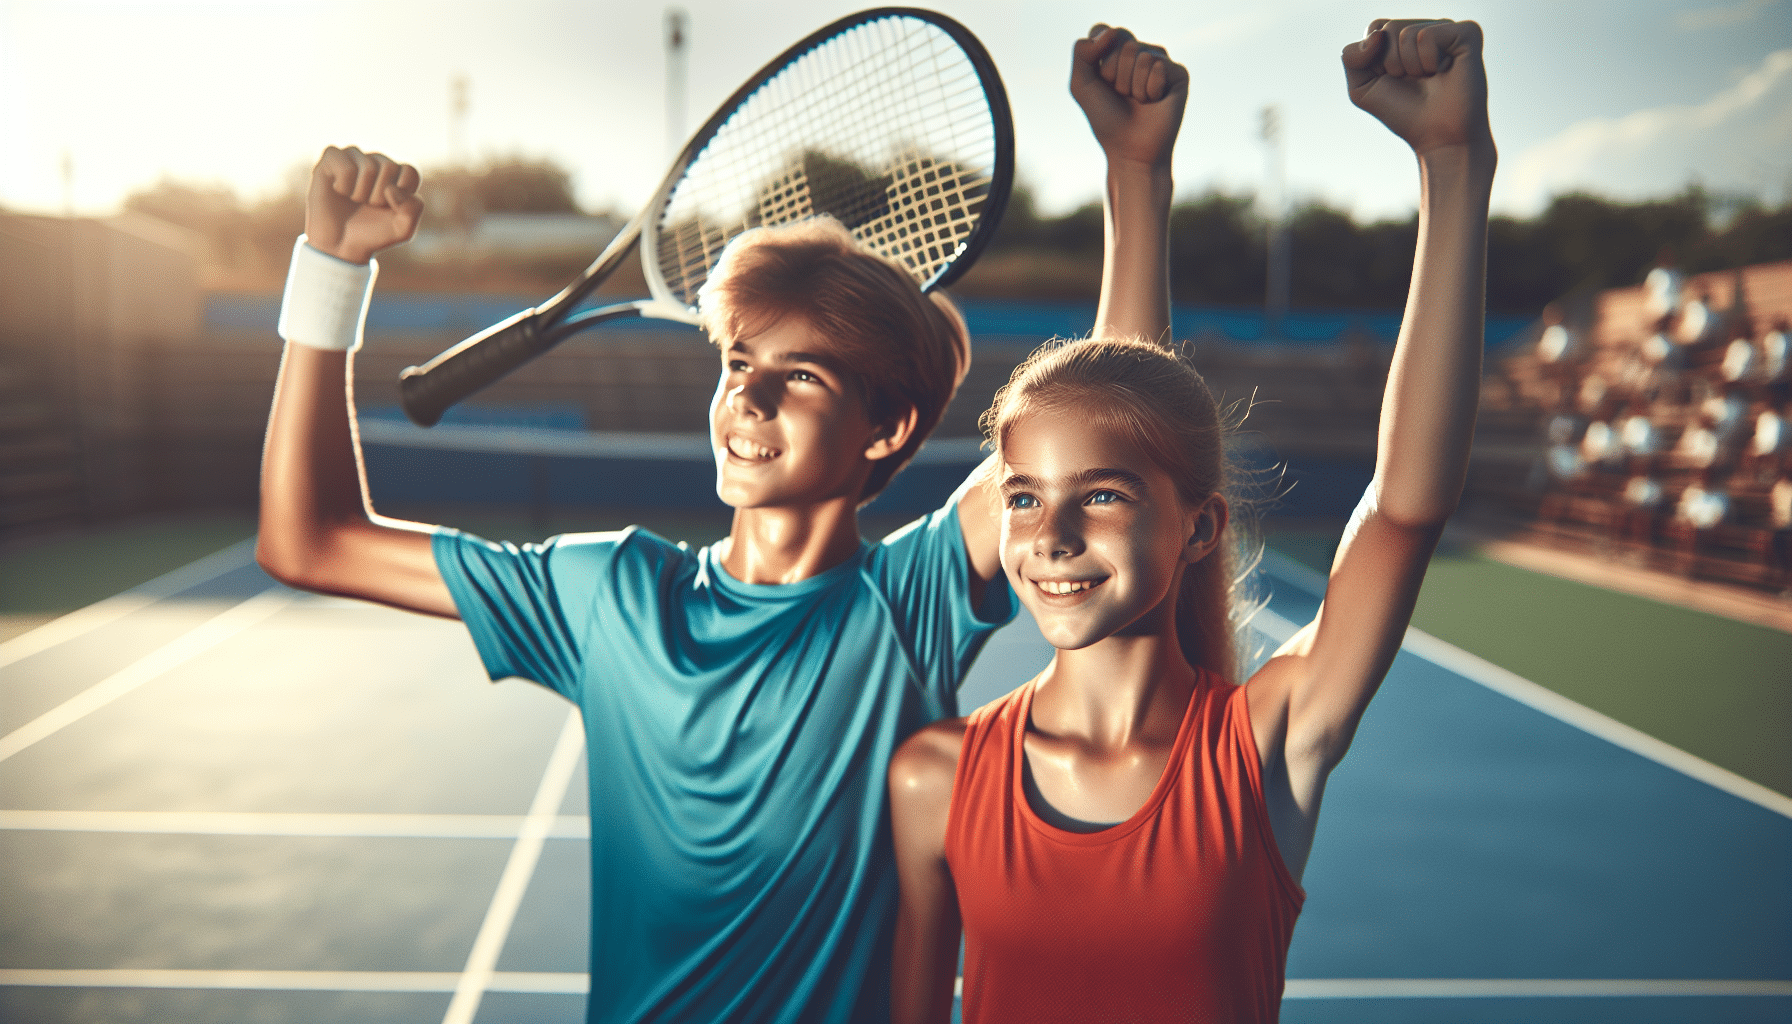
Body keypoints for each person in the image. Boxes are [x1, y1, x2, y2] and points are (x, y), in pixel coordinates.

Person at [257, 149, 1024, 1021]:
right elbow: (309, 542)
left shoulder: (912, 598)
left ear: (885, 428)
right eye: (738, 362)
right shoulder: (608, 593)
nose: (751, 396)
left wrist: (1135, 179)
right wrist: (332, 267)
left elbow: (1100, 428)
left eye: (802, 374)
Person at [889, 18, 1494, 1024]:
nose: (1051, 534)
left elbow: (1402, 506)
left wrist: (1452, 161)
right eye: (1024, 495)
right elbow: (1124, 420)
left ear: (1201, 528)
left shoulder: (1260, 748)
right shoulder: (935, 778)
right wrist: (1135, 175)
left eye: (1102, 496)